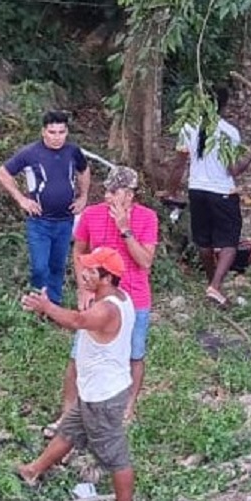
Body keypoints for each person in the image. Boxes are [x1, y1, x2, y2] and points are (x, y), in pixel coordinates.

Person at [17, 247, 137, 501]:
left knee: (115, 456)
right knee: (69, 431)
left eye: (92, 271)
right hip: (95, 391)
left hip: (103, 397)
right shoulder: (119, 298)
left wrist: (46, 307)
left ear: (107, 277)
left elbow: (78, 321)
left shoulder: (106, 309)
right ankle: (33, 470)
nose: (84, 274)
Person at [63, 165, 157, 425]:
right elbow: (79, 250)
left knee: (134, 354)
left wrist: (125, 229)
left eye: (114, 191)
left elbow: (145, 261)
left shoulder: (147, 218)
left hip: (134, 298)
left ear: (129, 194)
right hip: (100, 297)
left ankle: (128, 407)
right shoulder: (92, 214)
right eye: (106, 190)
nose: (107, 196)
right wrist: (83, 287)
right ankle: (68, 413)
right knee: (78, 354)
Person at [0, 111, 90, 305]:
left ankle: (53, 304)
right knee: (40, 267)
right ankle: (37, 301)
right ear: (43, 132)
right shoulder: (30, 153)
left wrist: (84, 196)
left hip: (65, 220)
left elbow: (84, 170)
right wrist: (22, 199)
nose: (57, 137)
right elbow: (2, 173)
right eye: (52, 132)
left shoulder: (72, 151)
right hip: (39, 221)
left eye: (61, 132)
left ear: (67, 132)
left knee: (57, 266)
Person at [176, 88, 251, 306]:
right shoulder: (228, 132)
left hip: (196, 190)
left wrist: (171, 188)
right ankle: (215, 285)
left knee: (204, 241)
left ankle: (212, 284)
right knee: (229, 241)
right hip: (222, 192)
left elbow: (180, 162)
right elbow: (233, 170)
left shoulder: (187, 127)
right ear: (223, 105)